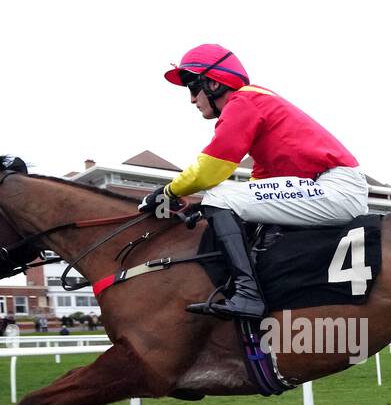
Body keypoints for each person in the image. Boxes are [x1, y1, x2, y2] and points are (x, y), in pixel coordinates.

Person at [138, 44, 368, 319]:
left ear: (213, 83)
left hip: (336, 189)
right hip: (329, 187)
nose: (191, 100)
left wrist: (166, 192)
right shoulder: (255, 104)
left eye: (192, 88)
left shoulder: (243, 102)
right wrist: (199, 206)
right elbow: (259, 182)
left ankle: (248, 295)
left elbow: (210, 170)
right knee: (224, 199)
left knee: (219, 194)